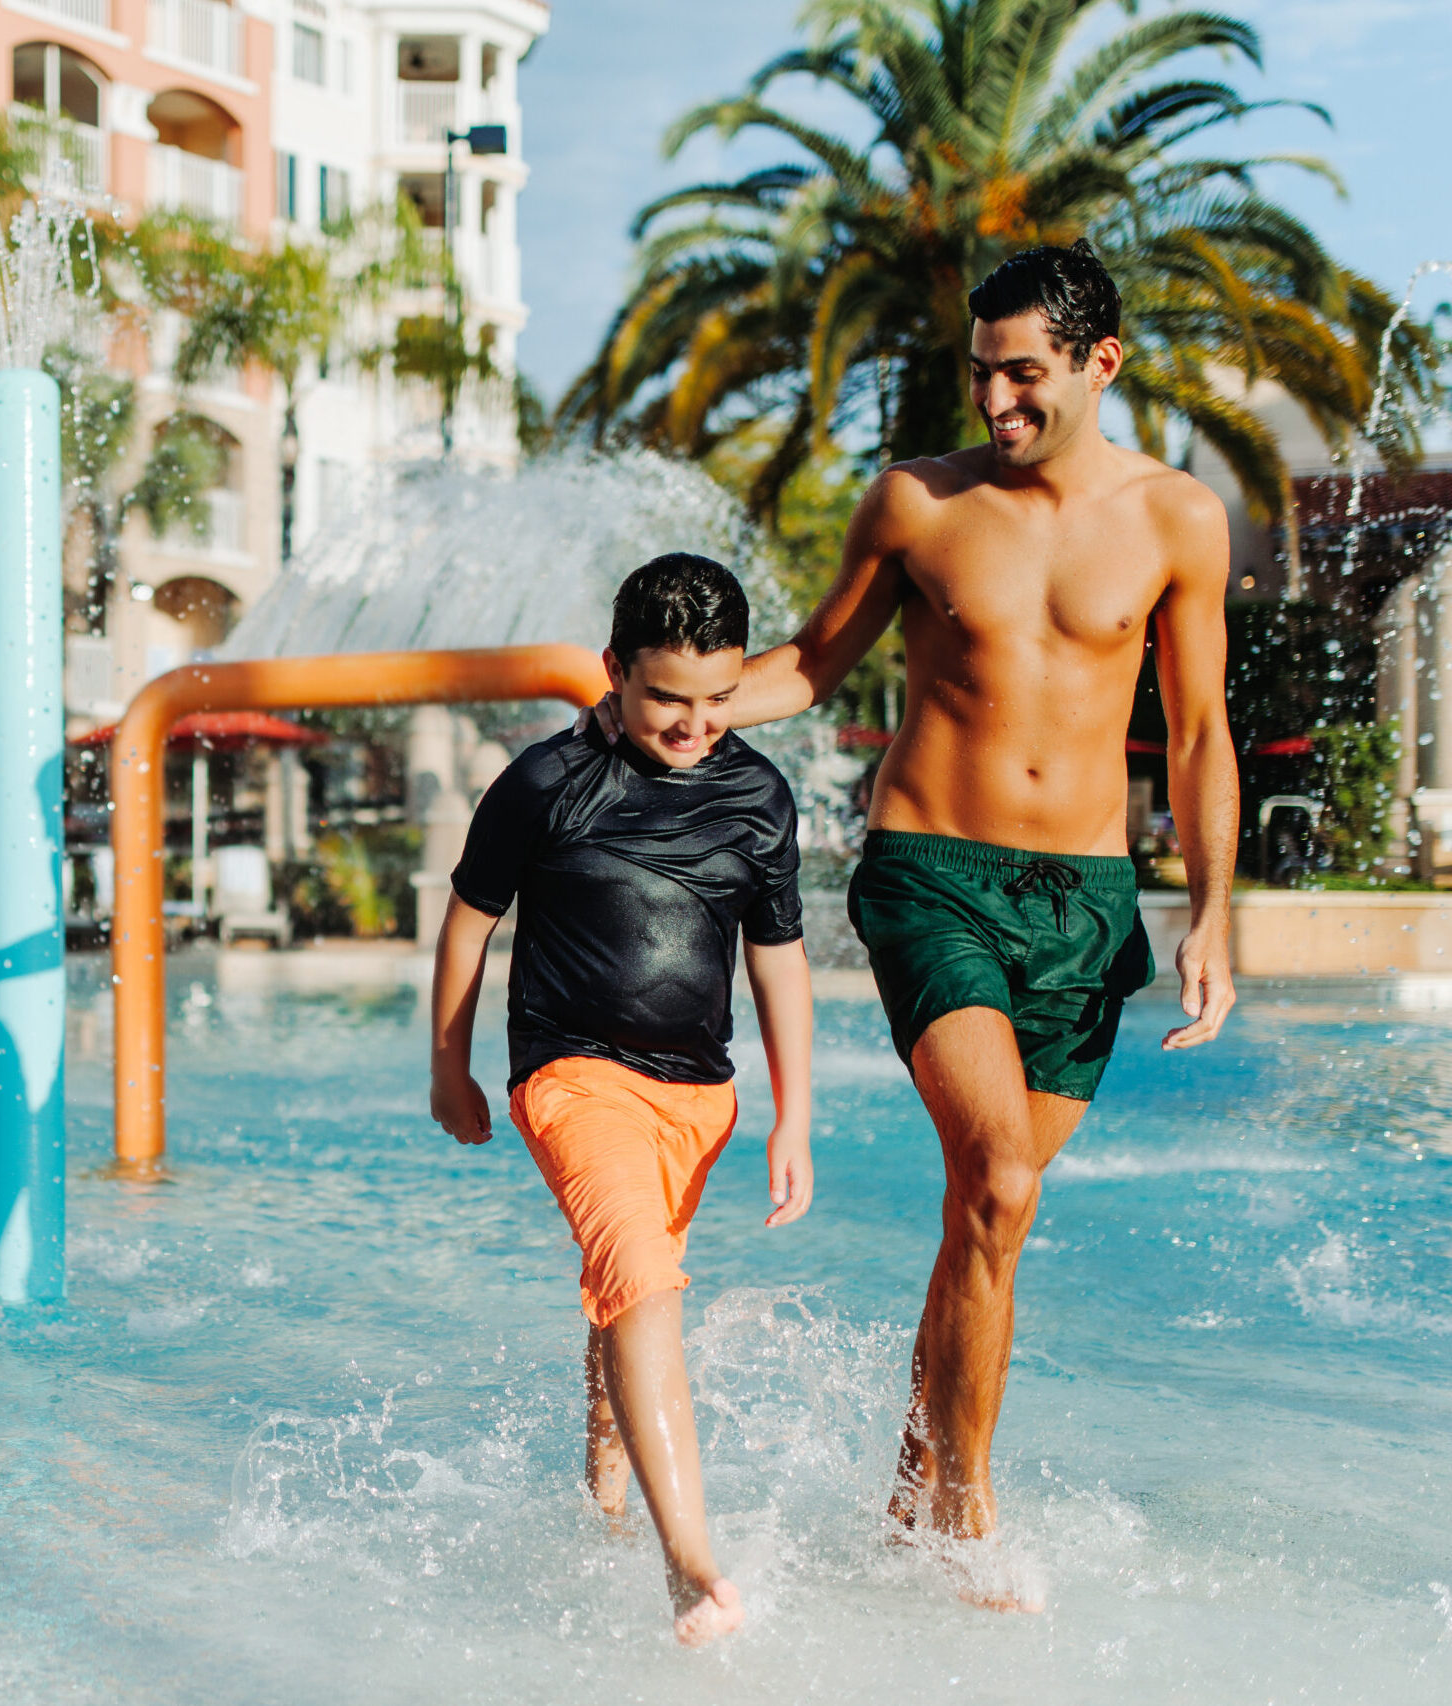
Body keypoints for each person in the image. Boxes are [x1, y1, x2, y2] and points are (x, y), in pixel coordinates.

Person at [591, 241, 1238, 1598]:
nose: (995, 402)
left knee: (982, 1219)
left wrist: (1213, 913)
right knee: (997, 1178)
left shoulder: (1178, 519)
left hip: (1087, 901)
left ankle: (907, 1485)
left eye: (1023, 375)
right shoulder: (917, 506)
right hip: (928, 869)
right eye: (979, 371)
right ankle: (971, 1517)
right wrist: (670, 706)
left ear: (1096, 364)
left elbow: (1195, 733)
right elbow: (814, 665)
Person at [430, 554, 815, 1647]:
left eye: (717, 699)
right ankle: (688, 1559)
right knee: (643, 1276)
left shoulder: (756, 795)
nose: (694, 725)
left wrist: (794, 1111)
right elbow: (469, 920)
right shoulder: (547, 781)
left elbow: (777, 956)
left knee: (624, 1283)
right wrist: (447, 1063)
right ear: (612, 671)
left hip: (699, 1097)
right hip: (571, 1071)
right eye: (665, 700)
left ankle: (605, 1482)